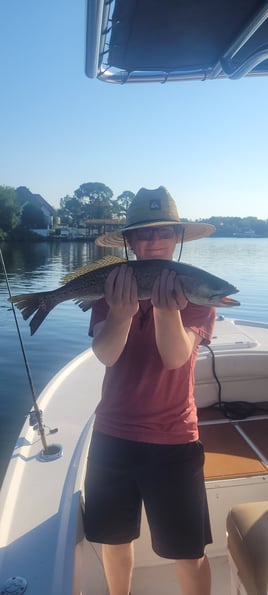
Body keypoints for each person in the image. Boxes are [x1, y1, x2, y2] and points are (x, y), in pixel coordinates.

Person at [84, 186, 216, 595]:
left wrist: (165, 310)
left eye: (164, 232)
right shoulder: (114, 285)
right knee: (113, 539)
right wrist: (121, 313)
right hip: (112, 435)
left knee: (187, 550)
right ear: (130, 241)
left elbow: (175, 356)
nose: (155, 241)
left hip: (173, 437)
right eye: (144, 233)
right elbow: (106, 354)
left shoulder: (193, 290)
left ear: (177, 238)